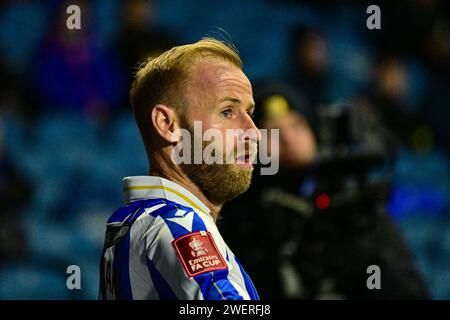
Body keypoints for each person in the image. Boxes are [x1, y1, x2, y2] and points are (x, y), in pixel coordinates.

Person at [220, 82, 429, 299]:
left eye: (297, 125)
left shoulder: (352, 207)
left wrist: (368, 266)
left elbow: (409, 293)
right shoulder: (238, 215)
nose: (288, 138)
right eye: (271, 132)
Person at [99, 38, 261, 300]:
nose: (254, 133)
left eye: (250, 113)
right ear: (167, 124)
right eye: (228, 112)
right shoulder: (177, 224)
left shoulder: (136, 222)